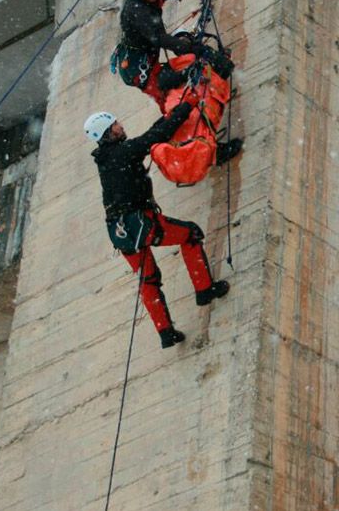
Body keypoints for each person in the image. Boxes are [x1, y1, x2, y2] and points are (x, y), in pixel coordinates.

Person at [85, 107, 230, 349]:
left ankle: (166, 333)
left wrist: (168, 116)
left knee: (148, 279)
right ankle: (205, 290)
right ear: (108, 132)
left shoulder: (107, 158)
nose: (121, 125)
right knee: (190, 234)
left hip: (121, 233)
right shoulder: (122, 153)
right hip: (142, 222)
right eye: (116, 124)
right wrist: (182, 112)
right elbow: (155, 137)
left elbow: (150, 135)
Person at [118, 0, 242, 165]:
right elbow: (159, 39)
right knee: (173, 107)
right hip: (140, 71)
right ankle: (200, 152)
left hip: (147, 61)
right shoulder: (136, 12)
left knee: (180, 91)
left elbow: (154, 8)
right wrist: (185, 46)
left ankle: (203, 112)